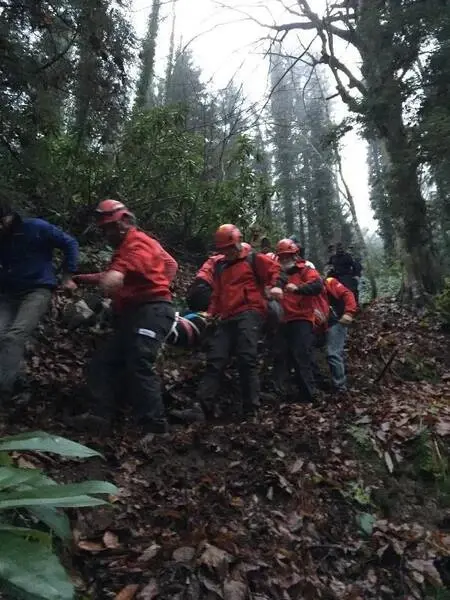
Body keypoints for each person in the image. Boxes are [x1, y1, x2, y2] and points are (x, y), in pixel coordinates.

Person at [72, 199, 177, 439]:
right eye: (105, 229)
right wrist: (82, 279)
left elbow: (115, 276)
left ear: (125, 222)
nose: (108, 233)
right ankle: (100, 416)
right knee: (104, 361)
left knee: (139, 362)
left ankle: (156, 427)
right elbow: (170, 264)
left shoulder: (137, 243)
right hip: (134, 312)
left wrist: (154, 289)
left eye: (111, 227)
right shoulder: (129, 247)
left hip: (152, 311)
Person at [196, 224, 283, 418]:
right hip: (227, 316)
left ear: (236, 244)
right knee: (215, 358)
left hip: (250, 311)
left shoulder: (253, 258)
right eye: (223, 250)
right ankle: (202, 407)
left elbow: (275, 269)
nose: (227, 253)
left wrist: (274, 286)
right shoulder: (220, 266)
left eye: (229, 248)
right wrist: (210, 314)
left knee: (246, 358)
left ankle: (251, 410)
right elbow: (217, 294)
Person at [0, 201, 78, 394]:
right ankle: (16, 380)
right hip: (9, 293)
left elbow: (70, 243)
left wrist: (68, 276)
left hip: (37, 290)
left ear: (9, 217)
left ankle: (4, 391)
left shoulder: (35, 227)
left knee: (14, 335)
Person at [275, 238, 323, 403]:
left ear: (295, 255)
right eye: (282, 257)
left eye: (288, 256)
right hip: (283, 320)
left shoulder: (305, 270)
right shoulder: (278, 273)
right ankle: (288, 393)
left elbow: (317, 285)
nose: (285, 259)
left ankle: (310, 394)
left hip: (302, 318)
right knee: (283, 356)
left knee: (302, 355)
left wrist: (298, 289)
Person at [323, 276, 357, 392]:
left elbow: (348, 294)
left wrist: (349, 313)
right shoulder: (303, 289)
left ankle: (340, 387)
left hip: (336, 321)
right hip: (320, 325)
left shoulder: (329, 282)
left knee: (333, 353)